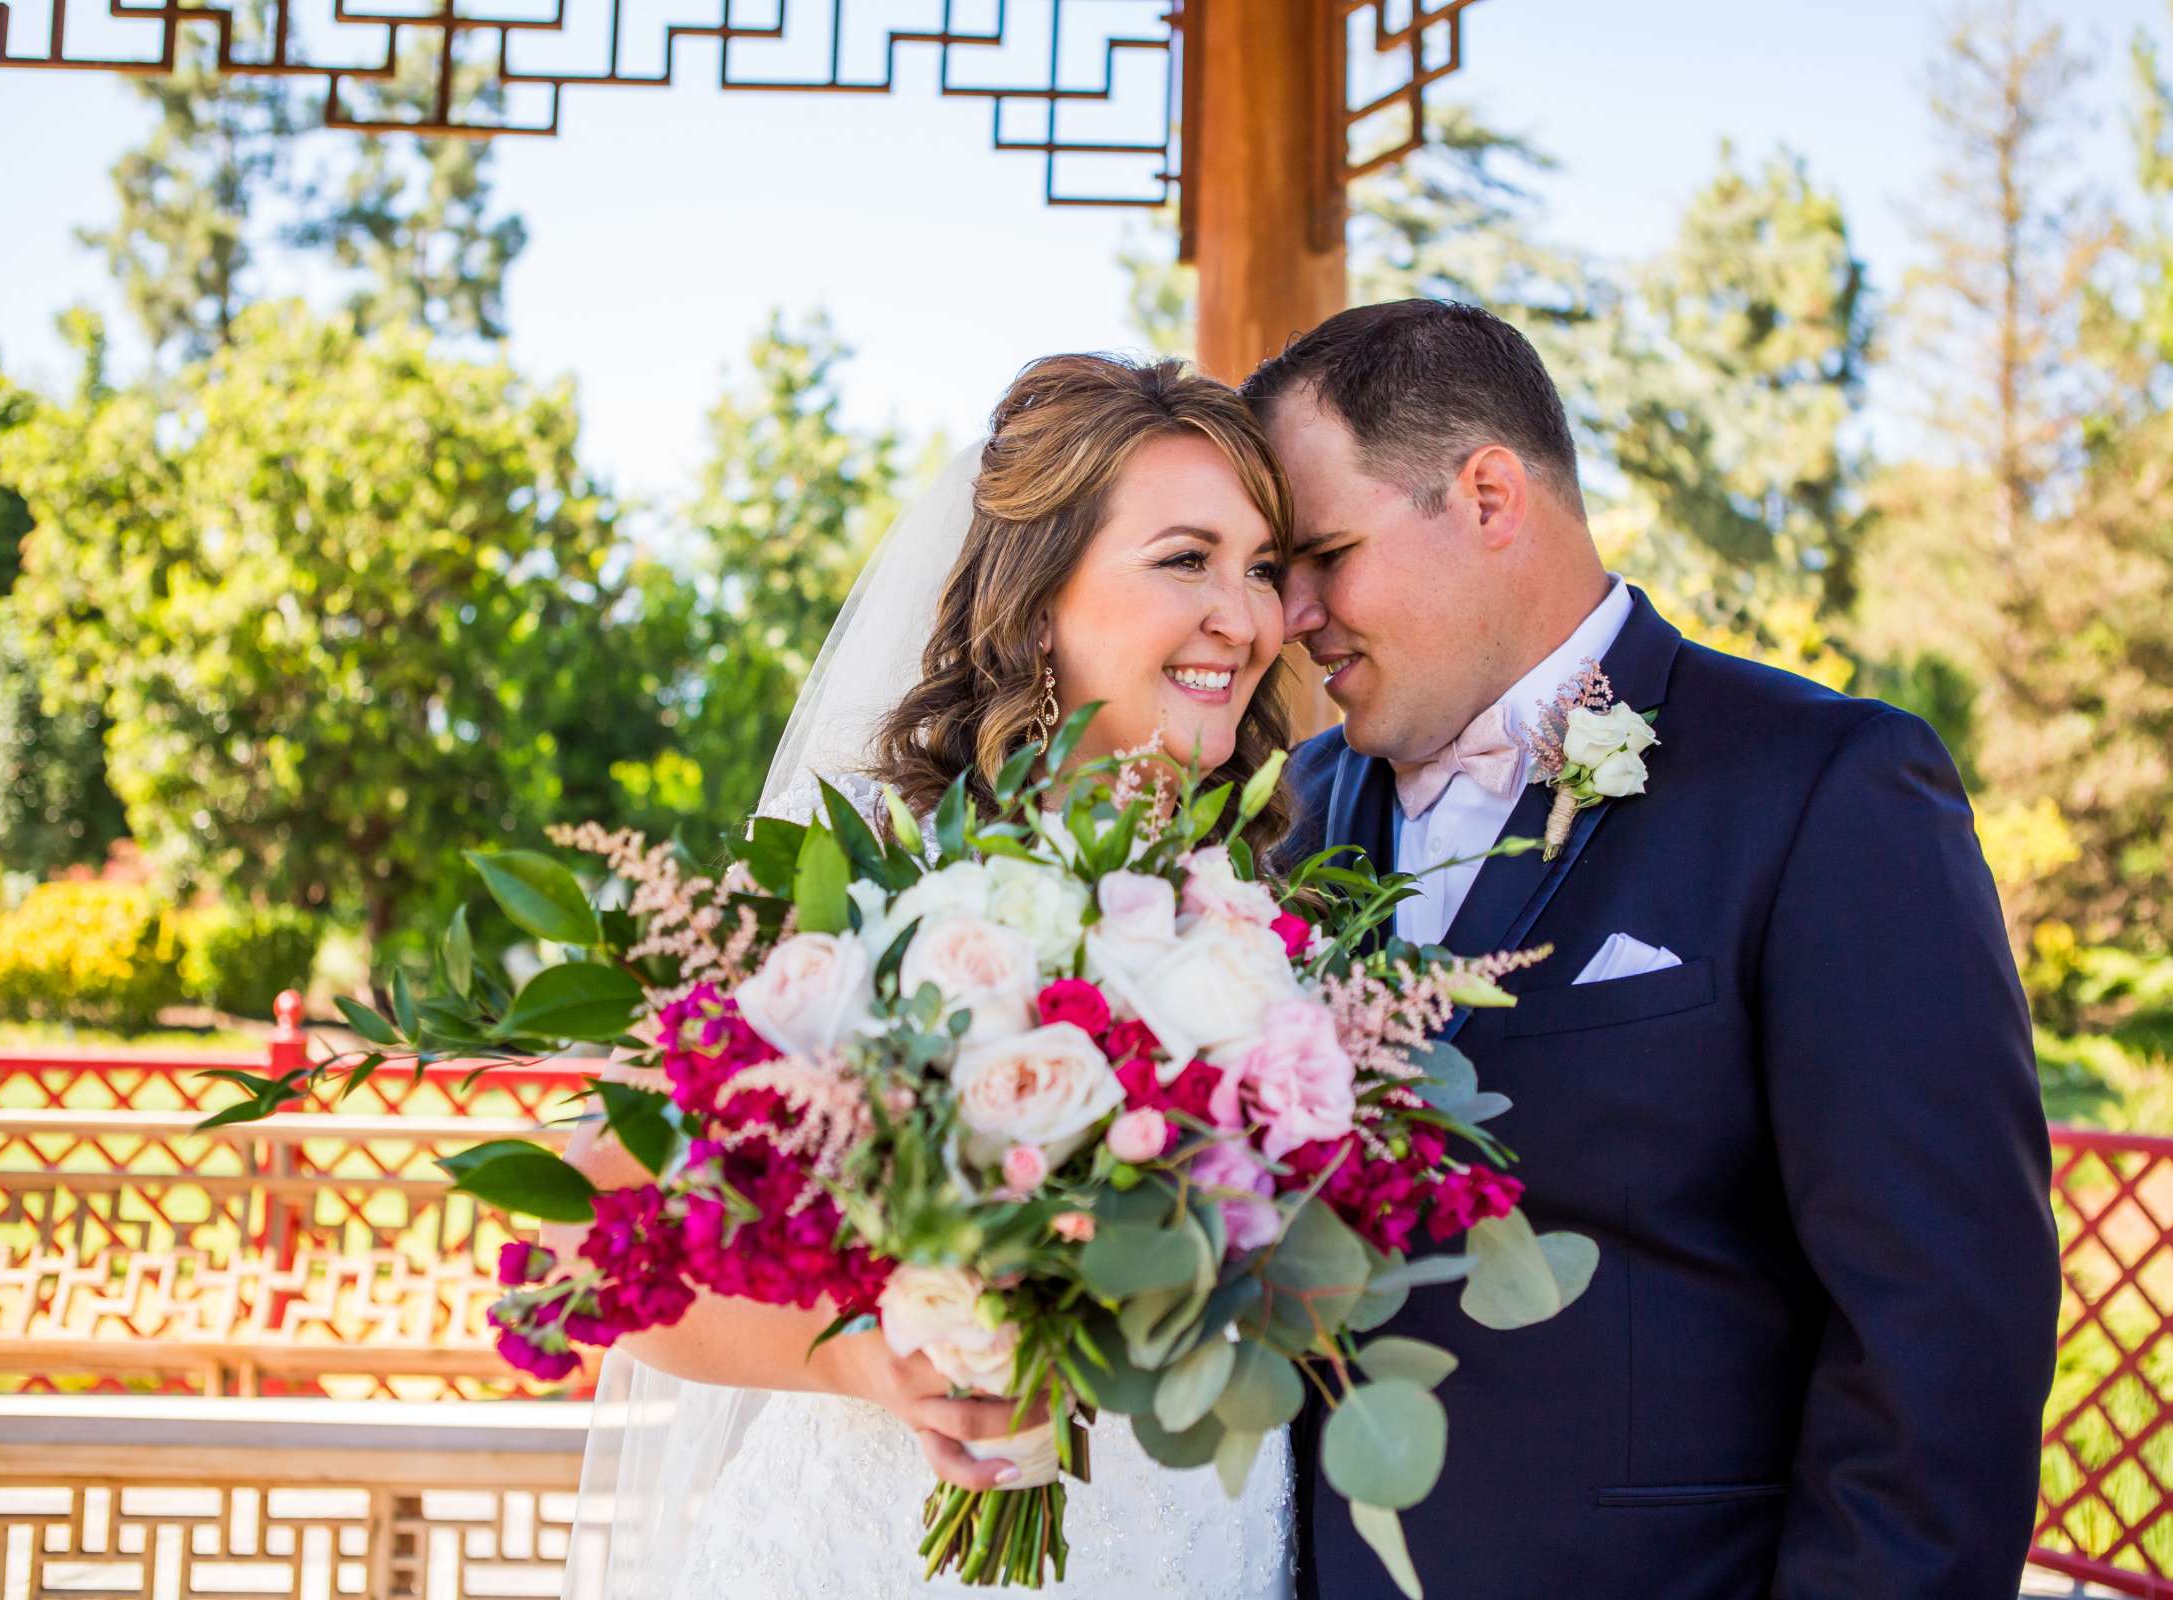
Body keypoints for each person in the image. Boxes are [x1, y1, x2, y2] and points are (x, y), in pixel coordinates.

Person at [1254, 299, 2062, 1600]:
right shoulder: (1290, 818)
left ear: (1489, 495)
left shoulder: (1823, 788)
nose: (1292, 614)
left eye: (1324, 553)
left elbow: (1942, 1326)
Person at [548, 353, 1304, 1600]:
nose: (1248, 614)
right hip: (887, 1546)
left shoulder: (1251, 892)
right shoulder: (854, 857)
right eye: (1188, 559)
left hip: (1194, 1543)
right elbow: (586, 1233)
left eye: (1263, 566)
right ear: (1040, 596)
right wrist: (861, 1360)